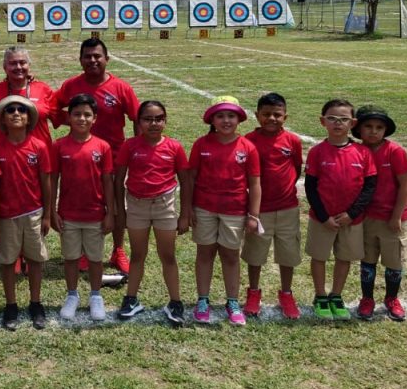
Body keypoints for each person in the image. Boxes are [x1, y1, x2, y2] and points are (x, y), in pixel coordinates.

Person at [55, 38, 139, 275]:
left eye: (97, 56)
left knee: (115, 206)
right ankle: (82, 252)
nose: (92, 60)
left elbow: (136, 118)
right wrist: (66, 121)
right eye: (87, 56)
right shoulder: (71, 86)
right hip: (80, 158)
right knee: (83, 202)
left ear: (106, 59)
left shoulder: (121, 88)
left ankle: (118, 249)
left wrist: (136, 151)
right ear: (80, 60)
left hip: (113, 158)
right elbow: (52, 107)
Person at [180, 95, 261, 327]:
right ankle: (203, 300)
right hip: (204, 209)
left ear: (239, 119)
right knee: (205, 253)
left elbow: (254, 183)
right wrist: (188, 209)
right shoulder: (201, 144)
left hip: (235, 211)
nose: (226, 120)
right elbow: (191, 179)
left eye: (231, 116)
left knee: (230, 255)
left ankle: (232, 301)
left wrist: (253, 215)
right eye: (220, 116)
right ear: (212, 120)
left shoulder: (248, 148)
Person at [113, 100, 191, 326]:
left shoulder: (174, 147)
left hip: (164, 206)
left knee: (168, 256)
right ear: (138, 122)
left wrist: (184, 214)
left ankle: (175, 301)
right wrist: (121, 212)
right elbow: (119, 180)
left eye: (159, 119)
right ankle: (131, 299)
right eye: (148, 119)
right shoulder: (130, 146)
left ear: (165, 121)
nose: (153, 123)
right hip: (136, 206)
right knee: (138, 255)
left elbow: (185, 181)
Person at [304, 99, 377, 321]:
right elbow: (310, 187)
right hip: (322, 219)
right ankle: (320, 295)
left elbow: (369, 186)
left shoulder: (362, 152)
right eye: (332, 118)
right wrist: (324, 216)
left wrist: (351, 214)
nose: (338, 123)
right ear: (322, 121)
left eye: (344, 119)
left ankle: (336, 295)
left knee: (344, 258)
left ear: (352, 123)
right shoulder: (317, 152)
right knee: (319, 257)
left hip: (350, 220)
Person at [0, 95, 53, 331]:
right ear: (3, 120)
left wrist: (47, 214)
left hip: (34, 212)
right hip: (7, 215)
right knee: (7, 261)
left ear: (29, 119)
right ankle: (11, 304)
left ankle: (36, 303)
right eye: (10, 110)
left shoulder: (39, 147)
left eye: (21, 110)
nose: (16, 113)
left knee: (35, 259)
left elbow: (45, 182)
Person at [51, 93, 115, 322]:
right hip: (69, 214)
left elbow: (107, 181)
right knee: (70, 257)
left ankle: (96, 296)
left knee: (95, 258)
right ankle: (72, 295)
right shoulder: (59, 146)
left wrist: (110, 212)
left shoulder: (102, 147)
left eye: (87, 114)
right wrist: (52, 211)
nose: (81, 119)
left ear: (95, 118)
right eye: (76, 114)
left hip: (95, 214)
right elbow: (53, 180)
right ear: (68, 117)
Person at [240, 93, 304, 320]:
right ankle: (253, 292)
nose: (272, 119)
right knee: (255, 254)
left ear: (285, 116)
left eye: (277, 114)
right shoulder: (248, 141)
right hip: (259, 210)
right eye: (266, 114)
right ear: (257, 115)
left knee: (288, 254)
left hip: (287, 208)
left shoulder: (293, 141)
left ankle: (286, 294)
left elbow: (296, 168)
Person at [353, 105, 407, 322]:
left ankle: (391, 298)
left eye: (379, 127)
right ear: (358, 129)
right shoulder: (357, 151)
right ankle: (367, 298)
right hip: (367, 217)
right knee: (367, 260)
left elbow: (405, 185)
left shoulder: (395, 151)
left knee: (394, 262)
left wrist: (396, 216)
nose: (373, 131)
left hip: (392, 219)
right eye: (368, 126)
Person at [0, 46, 59, 146]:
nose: (18, 67)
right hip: (3, 158)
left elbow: (65, 118)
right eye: (12, 63)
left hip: (41, 158)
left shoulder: (43, 89)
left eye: (22, 62)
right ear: (4, 67)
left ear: (29, 65)